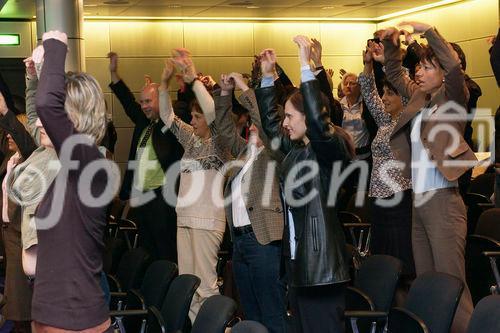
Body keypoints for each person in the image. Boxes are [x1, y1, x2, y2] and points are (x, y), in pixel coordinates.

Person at [379, 21, 477, 333]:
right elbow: (394, 73)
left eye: (426, 67)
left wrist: (429, 31)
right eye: (418, 67)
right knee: (427, 285)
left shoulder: (453, 98)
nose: (419, 73)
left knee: (452, 286)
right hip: (419, 202)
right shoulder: (421, 99)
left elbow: (453, 69)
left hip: (444, 203)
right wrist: (393, 45)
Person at [256, 37, 353, 333]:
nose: (285, 123)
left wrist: (304, 66)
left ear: (308, 117)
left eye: (290, 116)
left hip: (322, 270)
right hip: (300, 267)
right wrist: (267, 77)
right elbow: (272, 129)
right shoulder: (297, 151)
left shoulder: (329, 149)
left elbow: (319, 122)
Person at [32, 30, 116, 332]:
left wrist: (56, 46)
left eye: (58, 116)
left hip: (74, 317)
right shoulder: (70, 168)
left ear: (76, 119)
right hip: (51, 315)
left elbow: (47, 106)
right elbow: (45, 108)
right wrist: (42, 71)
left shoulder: (91, 165)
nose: (41, 124)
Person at [158, 50, 230, 322]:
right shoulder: (191, 139)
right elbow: (167, 117)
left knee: (206, 286)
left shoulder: (220, 142)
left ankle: (215, 326)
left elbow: (212, 111)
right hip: (185, 218)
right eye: (192, 117)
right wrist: (164, 84)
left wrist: (193, 79)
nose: (192, 121)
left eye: (196, 118)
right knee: (188, 285)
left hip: (207, 221)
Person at [215, 71, 286, 333]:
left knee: (271, 310)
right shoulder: (244, 151)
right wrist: (224, 93)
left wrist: (244, 87)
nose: (252, 125)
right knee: (251, 312)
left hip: (263, 240)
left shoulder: (274, 154)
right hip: (241, 242)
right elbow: (223, 130)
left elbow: (262, 119)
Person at [107, 52, 183, 262]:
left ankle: (169, 292)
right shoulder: (144, 124)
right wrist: (114, 73)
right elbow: (127, 101)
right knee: (146, 252)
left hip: (163, 199)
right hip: (142, 198)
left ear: (162, 100)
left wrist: (166, 83)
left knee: (165, 252)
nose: (144, 106)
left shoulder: (170, 125)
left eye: (148, 101)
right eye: (142, 102)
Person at [358, 41, 415, 282]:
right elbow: (370, 95)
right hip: (378, 198)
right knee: (381, 258)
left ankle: (403, 304)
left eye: (390, 93)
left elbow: (409, 90)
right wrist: (368, 66)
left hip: (399, 197)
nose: (384, 97)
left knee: (399, 259)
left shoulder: (406, 122)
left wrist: (391, 63)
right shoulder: (385, 122)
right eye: (385, 92)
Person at [0, 91, 37, 333]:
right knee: (15, 300)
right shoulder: (9, 161)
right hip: (8, 235)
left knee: (21, 302)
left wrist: (5, 112)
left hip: (20, 237)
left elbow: (28, 143)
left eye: (14, 130)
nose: (8, 135)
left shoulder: (31, 161)